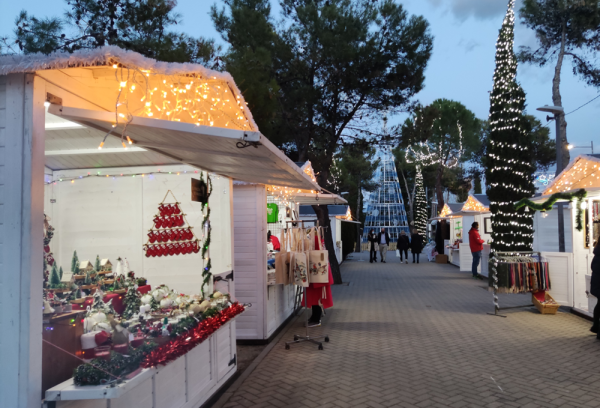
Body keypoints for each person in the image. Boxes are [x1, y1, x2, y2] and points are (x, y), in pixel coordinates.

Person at [589, 241, 600, 338]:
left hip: (597, 284)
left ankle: (596, 327)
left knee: (599, 306)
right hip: (598, 284)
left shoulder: (597, 253)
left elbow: (593, 268)